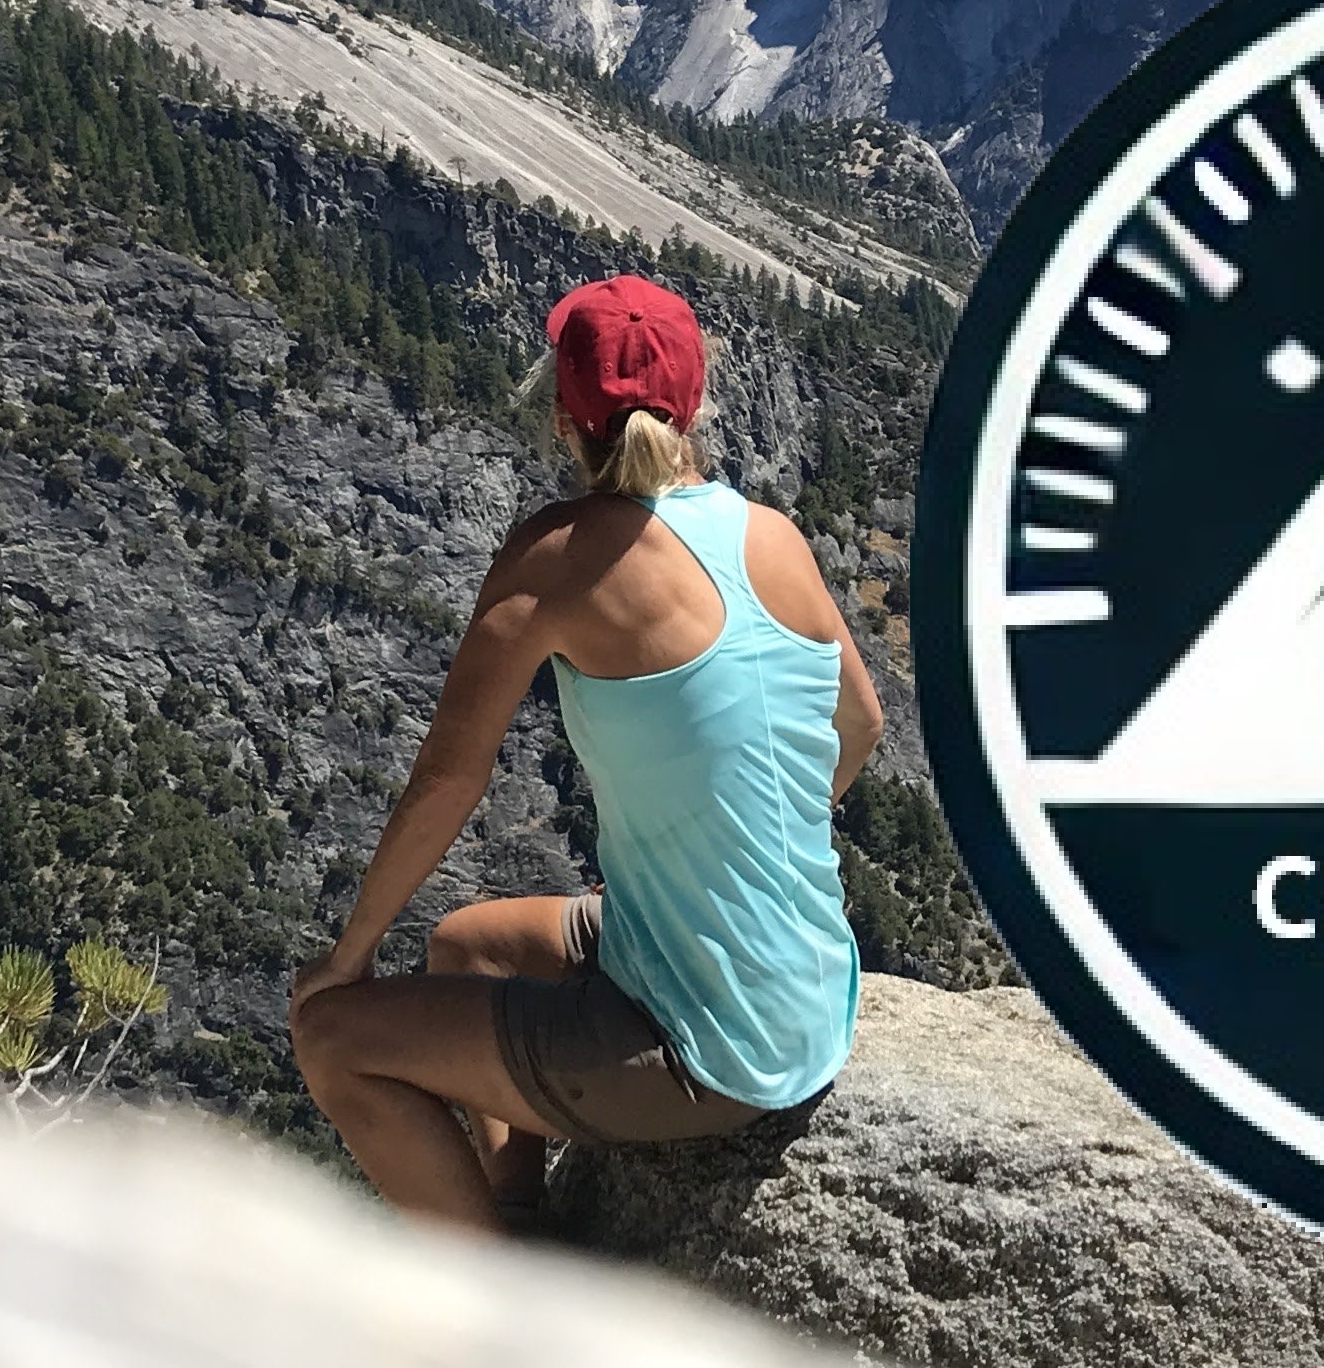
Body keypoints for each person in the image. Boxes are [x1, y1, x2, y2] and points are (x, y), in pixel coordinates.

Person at [289, 274, 883, 1233]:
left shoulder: (556, 555)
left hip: (711, 1052)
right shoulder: (771, 536)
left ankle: (500, 1316)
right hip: (814, 993)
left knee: (331, 1039)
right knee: (466, 944)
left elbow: (448, 780)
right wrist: (744, 857)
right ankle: (523, 1214)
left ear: (567, 419)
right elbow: (860, 723)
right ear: (694, 407)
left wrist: (347, 957)